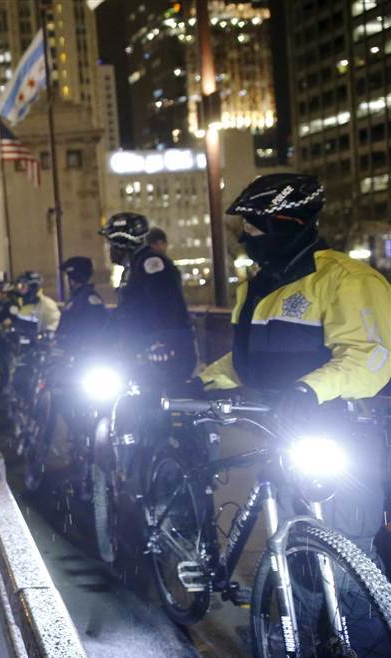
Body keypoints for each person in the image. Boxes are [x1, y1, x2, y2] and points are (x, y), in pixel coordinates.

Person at [195, 173, 391, 571]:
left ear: (283, 224)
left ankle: (358, 635)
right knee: (294, 556)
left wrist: (308, 390)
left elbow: (371, 356)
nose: (245, 238)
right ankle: (293, 631)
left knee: (347, 561)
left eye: (252, 227)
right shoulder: (257, 287)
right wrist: (202, 382)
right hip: (283, 435)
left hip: (344, 438)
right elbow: (249, 361)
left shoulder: (345, 279)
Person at [100, 212, 196, 386]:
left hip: (163, 356)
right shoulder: (133, 268)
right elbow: (125, 310)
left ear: (122, 242)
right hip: (143, 353)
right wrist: (99, 342)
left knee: (158, 405)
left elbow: (165, 305)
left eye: (110, 244)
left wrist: (161, 343)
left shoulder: (150, 263)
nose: (108, 250)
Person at [54, 257, 108, 354]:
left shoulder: (88, 298)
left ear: (72, 279)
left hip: (83, 356)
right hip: (69, 354)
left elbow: (96, 328)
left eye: (67, 277)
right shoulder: (75, 299)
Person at [12, 271, 61, 336]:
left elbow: (54, 323)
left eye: (22, 286)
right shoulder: (19, 304)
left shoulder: (47, 304)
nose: (19, 290)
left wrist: (48, 333)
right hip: (19, 344)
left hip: (38, 345)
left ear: (32, 287)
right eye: (18, 286)